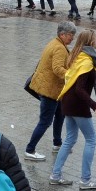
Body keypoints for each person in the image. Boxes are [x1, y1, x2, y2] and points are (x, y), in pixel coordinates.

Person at [50, 29, 96, 190]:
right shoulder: (87, 62)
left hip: (67, 102)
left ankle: (55, 175)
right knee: (91, 140)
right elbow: (80, 89)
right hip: (77, 104)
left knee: (69, 139)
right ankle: (85, 181)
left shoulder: (77, 57)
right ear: (91, 42)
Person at [24, 22, 75, 160]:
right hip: (49, 91)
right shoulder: (59, 48)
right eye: (71, 35)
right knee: (45, 121)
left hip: (53, 90)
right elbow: (58, 69)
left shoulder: (56, 43)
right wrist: (72, 75)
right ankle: (30, 150)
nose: (73, 38)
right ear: (62, 34)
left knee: (60, 114)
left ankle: (57, 144)